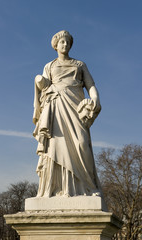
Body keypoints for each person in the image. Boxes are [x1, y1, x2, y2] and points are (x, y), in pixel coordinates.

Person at [33, 30, 102, 198]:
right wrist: (39, 81)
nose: (65, 45)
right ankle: (55, 188)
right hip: (55, 107)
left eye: (67, 42)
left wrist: (95, 98)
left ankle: (89, 186)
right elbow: (44, 85)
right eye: (62, 42)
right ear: (55, 45)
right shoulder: (49, 66)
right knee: (55, 146)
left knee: (82, 143)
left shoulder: (80, 65)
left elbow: (90, 85)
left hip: (75, 107)